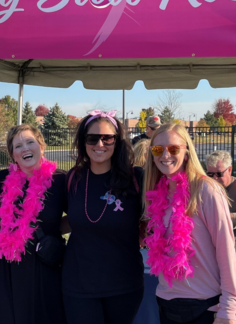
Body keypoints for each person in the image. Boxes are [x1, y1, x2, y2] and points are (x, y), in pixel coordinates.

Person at [144, 123, 236, 324]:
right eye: (157, 149)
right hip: (166, 301)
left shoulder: (206, 190)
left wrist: (228, 308)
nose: (165, 155)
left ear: (186, 153)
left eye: (173, 149)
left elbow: (226, 249)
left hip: (203, 305)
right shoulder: (157, 193)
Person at [62, 110, 144, 324]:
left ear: (117, 142)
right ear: (83, 142)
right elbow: (65, 220)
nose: (100, 144)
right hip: (78, 284)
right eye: (92, 138)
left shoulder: (136, 178)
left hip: (124, 285)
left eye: (107, 138)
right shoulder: (73, 178)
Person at [0, 124, 67, 324]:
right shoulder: (1, 179)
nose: (25, 148)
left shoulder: (60, 180)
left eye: (30, 142)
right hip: (4, 266)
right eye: (18, 146)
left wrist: (53, 229)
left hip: (43, 265)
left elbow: (77, 217)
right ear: (12, 154)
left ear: (41, 146)